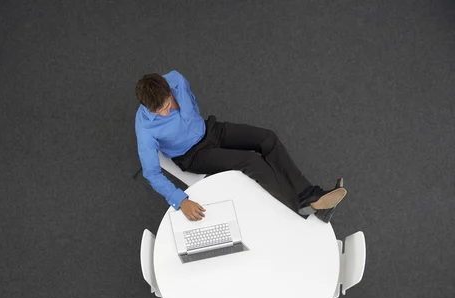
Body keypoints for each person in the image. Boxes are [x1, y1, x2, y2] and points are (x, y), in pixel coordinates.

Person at [134, 70, 347, 223]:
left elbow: (190, 99)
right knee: (251, 161)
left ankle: (312, 195)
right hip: (193, 155)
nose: (164, 112)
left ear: (168, 90)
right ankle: (299, 205)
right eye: (158, 112)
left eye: (166, 105)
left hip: (211, 129)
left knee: (267, 138)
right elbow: (152, 173)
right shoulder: (145, 130)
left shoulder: (176, 80)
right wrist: (180, 200)